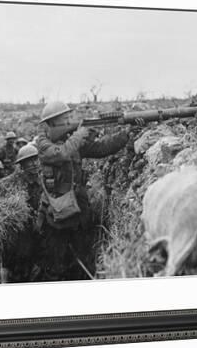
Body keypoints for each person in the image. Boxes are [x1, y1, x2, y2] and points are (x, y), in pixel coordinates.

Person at [35, 100, 139, 281]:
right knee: (54, 267)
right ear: (52, 123)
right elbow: (61, 153)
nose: (69, 122)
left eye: (69, 118)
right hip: (55, 216)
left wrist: (126, 135)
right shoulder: (43, 143)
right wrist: (80, 133)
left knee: (83, 264)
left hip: (78, 213)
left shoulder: (72, 140)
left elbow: (101, 149)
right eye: (65, 120)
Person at [0, 144, 42, 282]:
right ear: (22, 165)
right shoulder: (10, 183)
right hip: (17, 235)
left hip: (36, 233)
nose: (34, 164)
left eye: (36, 159)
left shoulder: (42, 183)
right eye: (30, 161)